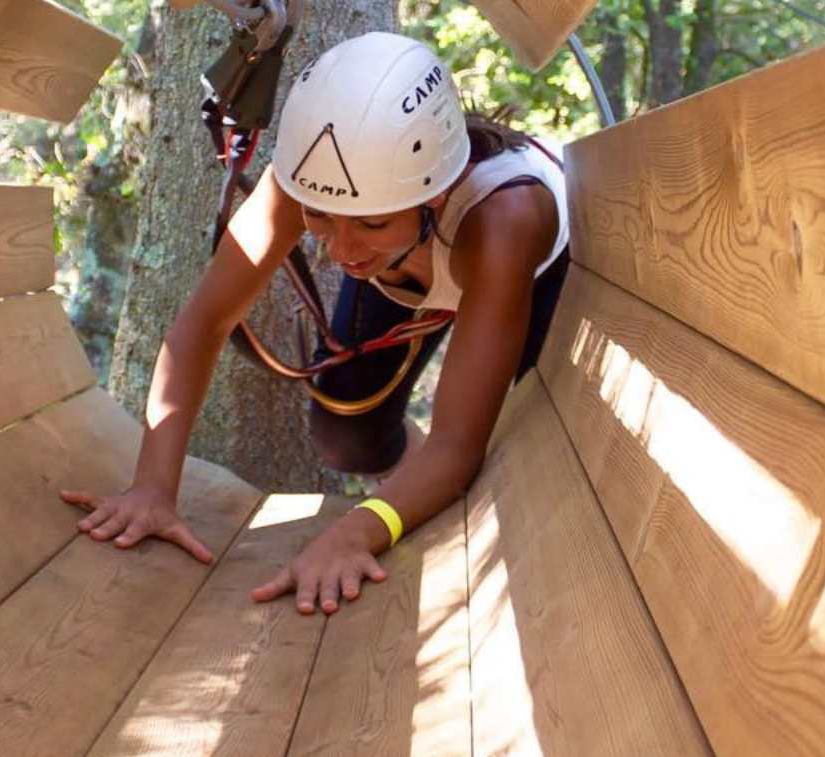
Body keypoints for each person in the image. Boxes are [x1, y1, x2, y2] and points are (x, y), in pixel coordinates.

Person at [61, 32, 569, 616]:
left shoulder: (506, 219)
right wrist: (152, 486)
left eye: (370, 223)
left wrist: (355, 531)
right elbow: (203, 323)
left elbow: (459, 444)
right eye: (320, 219)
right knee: (346, 437)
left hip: (532, 276)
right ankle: (411, 478)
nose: (340, 251)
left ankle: (417, 492)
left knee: (509, 453)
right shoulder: (316, 181)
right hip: (410, 261)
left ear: (435, 194)